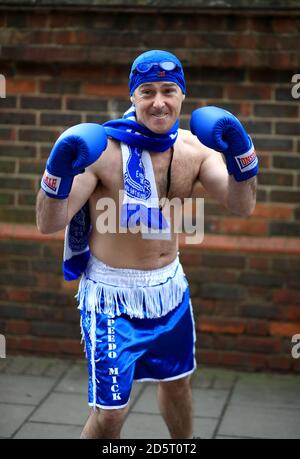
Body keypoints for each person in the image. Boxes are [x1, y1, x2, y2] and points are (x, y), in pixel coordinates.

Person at [36, 49, 258, 439]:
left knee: (177, 385)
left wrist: (242, 155)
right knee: (109, 415)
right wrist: (56, 174)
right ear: (133, 97)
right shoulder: (103, 151)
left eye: (169, 90)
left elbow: (243, 204)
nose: (159, 102)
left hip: (170, 290)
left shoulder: (196, 149)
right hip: (111, 298)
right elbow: (48, 222)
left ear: (182, 95)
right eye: (148, 91)